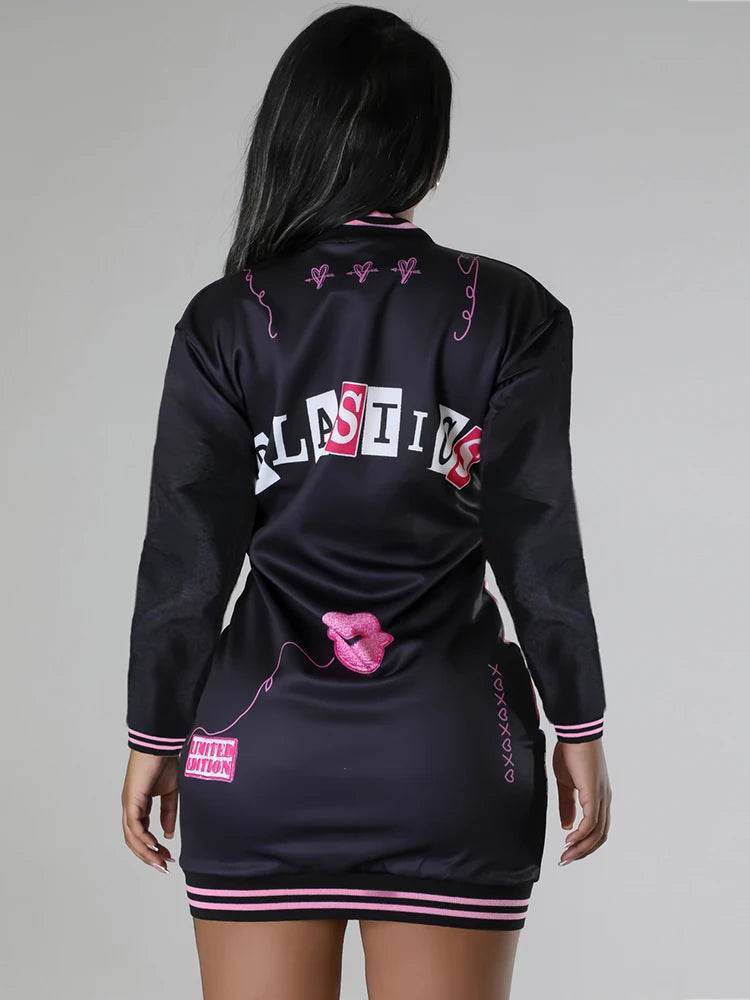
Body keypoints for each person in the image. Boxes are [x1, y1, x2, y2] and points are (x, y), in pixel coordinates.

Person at [121, 6, 612, 998]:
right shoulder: (509, 311)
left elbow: (187, 559)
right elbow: (537, 538)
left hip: (257, 754)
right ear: (427, 146)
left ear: (293, 134)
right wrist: (580, 723)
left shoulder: (228, 320)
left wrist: (154, 736)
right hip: (455, 755)